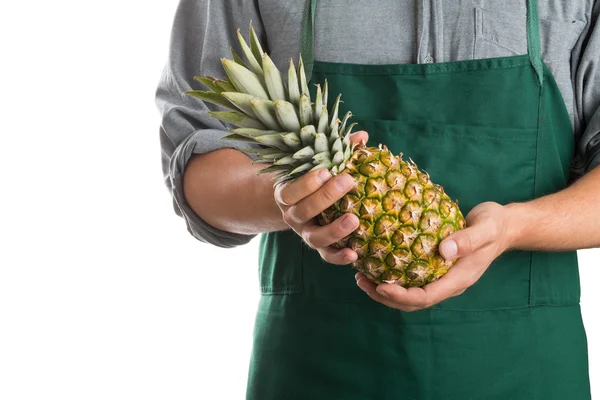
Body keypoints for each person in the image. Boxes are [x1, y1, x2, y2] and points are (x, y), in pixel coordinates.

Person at [155, 1, 600, 398]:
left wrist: (515, 226)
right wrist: (296, 201)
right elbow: (195, 163)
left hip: (526, 369)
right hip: (316, 366)